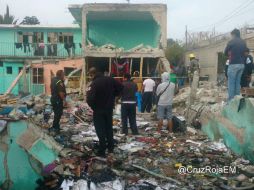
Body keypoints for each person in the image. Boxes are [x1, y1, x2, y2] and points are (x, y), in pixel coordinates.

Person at [87, 67, 123, 157]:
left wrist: (93, 107)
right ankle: (111, 148)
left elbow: (90, 98)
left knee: (100, 129)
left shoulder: (94, 83)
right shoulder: (110, 80)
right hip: (109, 109)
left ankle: (102, 150)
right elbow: (121, 88)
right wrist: (114, 96)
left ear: (92, 74)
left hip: (98, 110)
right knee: (108, 128)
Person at [224, 29, 247, 101]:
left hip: (233, 64)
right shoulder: (243, 42)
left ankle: (231, 101)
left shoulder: (231, 42)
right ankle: (237, 100)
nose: (231, 37)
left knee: (231, 83)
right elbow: (245, 53)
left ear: (234, 34)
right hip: (241, 65)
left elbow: (225, 52)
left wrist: (230, 54)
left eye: (231, 35)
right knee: (237, 83)